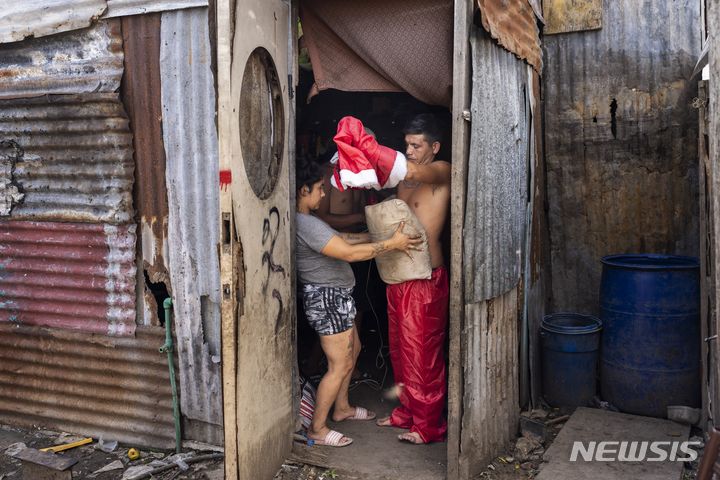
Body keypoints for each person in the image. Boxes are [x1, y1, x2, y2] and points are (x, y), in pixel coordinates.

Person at [296, 158, 423, 447]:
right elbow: (348, 253)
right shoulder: (304, 223)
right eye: (319, 188)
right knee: (339, 364)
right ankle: (317, 428)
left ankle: (342, 409)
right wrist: (392, 244)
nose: (324, 194)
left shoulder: (311, 222)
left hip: (337, 298)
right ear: (304, 190)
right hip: (327, 299)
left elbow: (342, 237)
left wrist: (379, 235)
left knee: (354, 352)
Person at [376, 113, 451, 444]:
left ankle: (428, 426)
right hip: (397, 275)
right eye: (406, 144)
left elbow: (416, 170)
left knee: (423, 355)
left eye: (416, 145)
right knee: (401, 352)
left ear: (433, 146)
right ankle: (407, 412)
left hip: (425, 277)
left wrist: (369, 148)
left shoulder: (440, 170)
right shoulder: (402, 180)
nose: (409, 150)